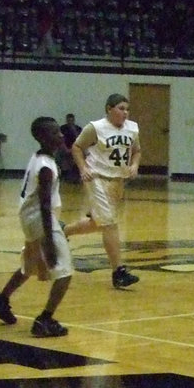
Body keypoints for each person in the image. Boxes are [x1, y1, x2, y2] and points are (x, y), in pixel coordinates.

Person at [0, 117, 74, 337]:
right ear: (42, 137)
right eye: (55, 133)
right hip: (41, 219)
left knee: (30, 266)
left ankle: (1, 299)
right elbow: (44, 204)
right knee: (65, 272)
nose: (61, 135)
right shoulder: (46, 168)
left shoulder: (40, 157)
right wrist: (49, 240)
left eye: (60, 132)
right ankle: (45, 319)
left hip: (29, 218)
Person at [63, 93, 141, 289]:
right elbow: (77, 147)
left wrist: (134, 165)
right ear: (109, 109)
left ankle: (62, 231)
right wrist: (83, 168)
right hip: (97, 178)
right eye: (121, 108)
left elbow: (137, 151)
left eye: (127, 109)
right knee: (109, 223)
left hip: (117, 181)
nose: (125, 112)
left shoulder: (132, 128)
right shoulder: (95, 127)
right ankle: (118, 272)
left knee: (99, 223)